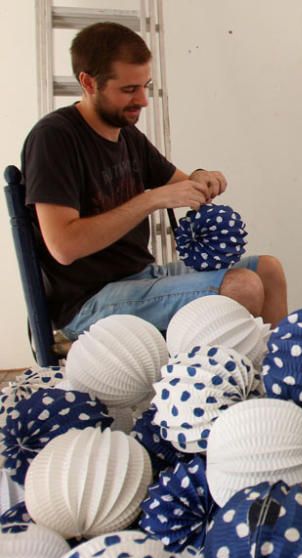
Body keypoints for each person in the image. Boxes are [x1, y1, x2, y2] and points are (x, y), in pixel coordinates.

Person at [21, 22, 287, 340]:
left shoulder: (127, 135)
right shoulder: (54, 138)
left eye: (145, 86)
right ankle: (215, 383)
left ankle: (278, 377)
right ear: (88, 83)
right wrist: (151, 199)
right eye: (129, 90)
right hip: (86, 303)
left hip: (141, 278)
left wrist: (203, 179)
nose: (144, 100)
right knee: (241, 286)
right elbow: (64, 246)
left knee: (267, 271)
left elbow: (182, 183)